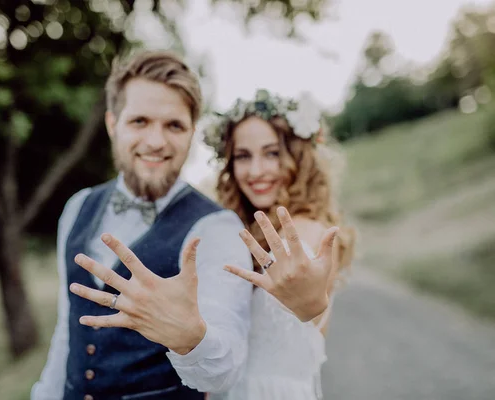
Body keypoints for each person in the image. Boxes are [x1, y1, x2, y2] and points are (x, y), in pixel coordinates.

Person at [44, 50, 339, 400]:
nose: (156, 141)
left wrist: (190, 337)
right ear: (112, 124)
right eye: (140, 121)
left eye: (173, 125)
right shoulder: (77, 207)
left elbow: (230, 363)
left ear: (192, 134)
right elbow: (65, 333)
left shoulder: (219, 229)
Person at [204, 89, 356, 400]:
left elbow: (311, 310)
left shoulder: (309, 233)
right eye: (243, 156)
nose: (256, 171)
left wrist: (310, 303)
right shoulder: (244, 231)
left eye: (272, 153)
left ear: (298, 158)